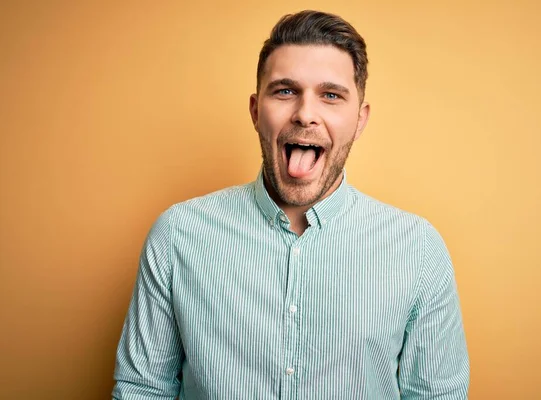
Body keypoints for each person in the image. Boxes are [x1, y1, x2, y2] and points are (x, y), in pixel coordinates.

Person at [112, 10, 469, 399]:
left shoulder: (418, 249)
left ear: (359, 120)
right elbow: (141, 391)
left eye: (331, 95)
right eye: (285, 91)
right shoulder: (177, 236)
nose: (305, 114)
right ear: (255, 111)